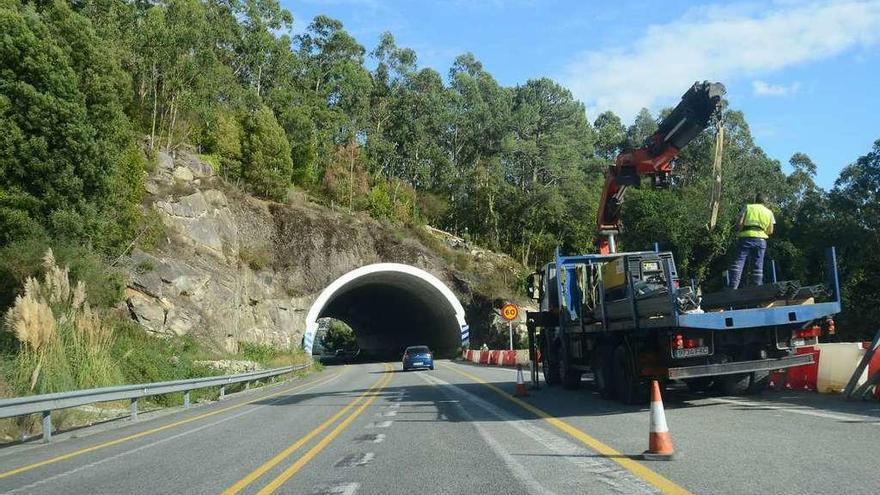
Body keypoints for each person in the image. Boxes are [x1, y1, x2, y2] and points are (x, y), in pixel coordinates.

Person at [727, 193, 775, 289]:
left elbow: (740, 223)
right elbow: (770, 231)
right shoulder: (769, 212)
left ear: (755, 200)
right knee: (758, 265)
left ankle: (733, 287)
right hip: (761, 240)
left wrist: (739, 230)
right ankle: (757, 288)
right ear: (765, 202)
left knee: (739, 262)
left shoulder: (748, 207)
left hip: (746, 237)